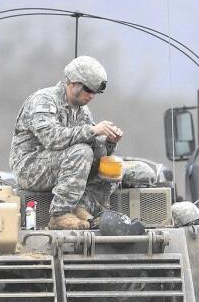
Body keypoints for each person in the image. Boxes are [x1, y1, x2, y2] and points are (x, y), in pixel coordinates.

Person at [9, 56, 124, 230]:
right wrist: (93, 130)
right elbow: (52, 138)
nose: (92, 96)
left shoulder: (82, 111)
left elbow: (94, 147)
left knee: (109, 164)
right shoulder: (44, 100)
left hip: (60, 163)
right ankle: (60, 214)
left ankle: (82, 207)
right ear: (72, 83)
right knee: (82, 152)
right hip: (30, 167)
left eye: (95, 92)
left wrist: (108, 142)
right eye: (88, 90)